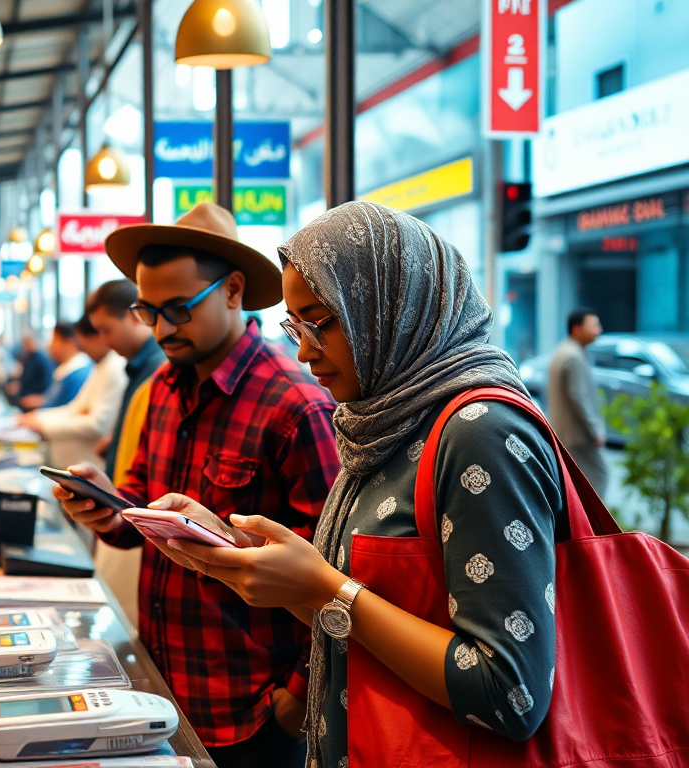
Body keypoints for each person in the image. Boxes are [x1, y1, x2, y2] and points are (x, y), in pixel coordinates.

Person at [154, 202, 562, 768]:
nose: (303, 350)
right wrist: (235, 554)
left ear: (391, 306)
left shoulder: (479, 432)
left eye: (319, 322)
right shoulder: (379, 421)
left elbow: (510, 694)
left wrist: (325, 589)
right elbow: (368, 609)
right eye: (294, 326)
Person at [53, 203, 340, 768]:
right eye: (147, 310)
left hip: (252, 706)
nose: (160, 329)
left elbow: (332, 565)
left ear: (233, 290)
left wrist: (297, 692)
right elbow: (141, 504)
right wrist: (107, 507)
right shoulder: (161, 386)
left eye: (178, 310)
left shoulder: (294, 405)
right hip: (161, 686)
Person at [19, 315, 127, 471]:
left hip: (88, 460)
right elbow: (77, 408)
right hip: (73, 457)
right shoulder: (101, 365)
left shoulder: (111, 368)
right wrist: (38, 418)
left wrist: (42, 424)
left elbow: (96, 423)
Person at [86, 279, 166, 477]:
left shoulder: (159, 370)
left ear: (135, 317)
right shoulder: (139, 365)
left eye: (106, 330)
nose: (104, 341)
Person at [547, 308, 607, 495]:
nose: (599, 330)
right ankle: (595, 524)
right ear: (576, 329)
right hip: (578, 436)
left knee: (573, 485)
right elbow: (579, 397)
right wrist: (594, 430)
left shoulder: (565, 350)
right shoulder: (573, 356)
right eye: (594, 326)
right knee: (599, 475)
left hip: (567, 433)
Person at [29, 321, 92, 410]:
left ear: (68, 342)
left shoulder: (79, 373)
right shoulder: (65, 368)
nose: (49, 345)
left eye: (54, 339)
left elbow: (68, 410)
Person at [11, 332, 55, 410]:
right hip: (25, 397)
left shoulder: (41, 358)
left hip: (36, 398)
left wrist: (40, 397)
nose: (27, 345)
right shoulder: (27, 357)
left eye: (29, 342)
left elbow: (47, 380)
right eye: (25, 343)